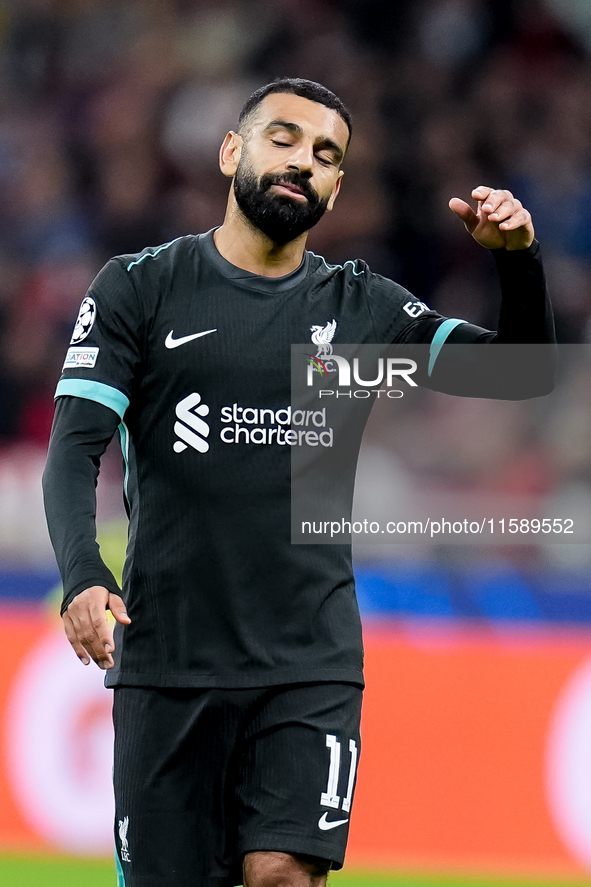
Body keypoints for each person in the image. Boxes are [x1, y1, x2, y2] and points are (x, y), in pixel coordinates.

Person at [43, 78, 555, 887]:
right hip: (168, 658)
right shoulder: (141, 287)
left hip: (306, 660)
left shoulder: (359, 310)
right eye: (282, 138)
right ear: (230, 151)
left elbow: (519, 379)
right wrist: (83, 574)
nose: (302, 162)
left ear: (337, 187)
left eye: (325, 155)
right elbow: (74, 447)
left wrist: (518, 263)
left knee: (283, 874)